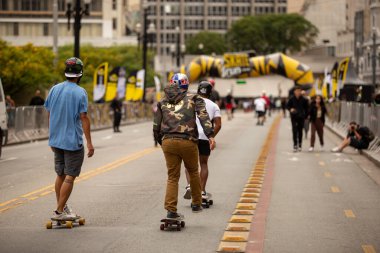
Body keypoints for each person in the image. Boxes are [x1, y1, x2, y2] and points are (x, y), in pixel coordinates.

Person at [153, 73, 215, 219]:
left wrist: (160, 142)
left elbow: (156, 125)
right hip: (188, 141)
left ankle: (171, 210)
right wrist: (210, 135)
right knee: (193, 171)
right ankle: (196, 203)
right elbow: (204, 117)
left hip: (168, 141)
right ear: (186, 85)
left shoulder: (162, 102)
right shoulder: (195, 98)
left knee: (172, 177)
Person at [44, 57, 94, 221]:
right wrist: (89, 142)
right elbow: (84, 118)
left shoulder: (54, 89)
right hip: (72, 141)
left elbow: (49, 113)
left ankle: (62, 207)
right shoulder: (81, 92)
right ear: (80, 74)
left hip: (56, 140)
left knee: (60, 174)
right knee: (70, 176)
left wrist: (52, 136)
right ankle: (59, 211)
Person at [183, 81, 222, 202]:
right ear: (210, 93)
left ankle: (190, 185)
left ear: (198, 91)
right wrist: (211, 136)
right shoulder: (214, 106)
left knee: (189, 164)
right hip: (205, 137)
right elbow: (218, 124)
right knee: (203, 164)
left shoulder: (191, 102)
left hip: (191, 136)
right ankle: (202, 191)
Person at [287, 86, 309, 152]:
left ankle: (300, 144)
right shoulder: (291, 99)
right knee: (294, 131)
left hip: (301, 117)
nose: (298, 92)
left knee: (300, 131)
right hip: (294, 117)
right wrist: (290, 109)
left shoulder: (304, 100)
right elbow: (287, 106)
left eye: (299, 91)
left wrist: (306, 116)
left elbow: (307, 109)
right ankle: (295, 145)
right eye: (296, 91)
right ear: (294, 92)